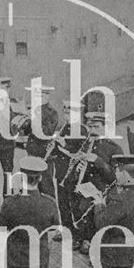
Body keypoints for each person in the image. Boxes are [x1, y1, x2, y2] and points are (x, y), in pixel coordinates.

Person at [67, 112, 123, 261]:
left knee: (93, 215)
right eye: (90, 127)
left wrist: (98, 161)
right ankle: (82, 237)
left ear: (105, 127)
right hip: (85, 186)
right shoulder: (87, 143)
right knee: (79, 208)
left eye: (96, 126)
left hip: (101, 190)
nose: (92, 130)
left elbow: (116, 177)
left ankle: (91, 241)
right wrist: (78, 168)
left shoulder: (114, 149)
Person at [50, 100, 88, 242]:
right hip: (61, 172)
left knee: (75, 206)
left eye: (70, 113)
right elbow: (58, 149)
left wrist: (63, 144)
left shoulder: (82, 130)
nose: (67, 116)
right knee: (63, 205)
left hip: (72, 174)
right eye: (66, 113)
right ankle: (66, 230)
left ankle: (78, 236)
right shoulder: (65, 128)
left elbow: (78, 151)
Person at [24, 86, 59, 198]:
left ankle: (49, 210)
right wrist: (25, 122)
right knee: (31, 184)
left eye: (42, 95)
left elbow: (47, 132)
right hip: (32, 151)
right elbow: (26, 131)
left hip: (44, 154)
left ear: (47, 96)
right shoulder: (34, 110)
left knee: (46, 185)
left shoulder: (52, 112)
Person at [0, 77, 17, 207]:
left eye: (4, 88)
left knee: (7, 171)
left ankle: (8, 199)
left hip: (7, 144)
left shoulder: (13, 103)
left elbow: (14, 120)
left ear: (8, 88)